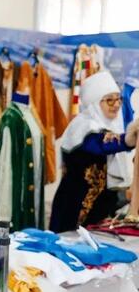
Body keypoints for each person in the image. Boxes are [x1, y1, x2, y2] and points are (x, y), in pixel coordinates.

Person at [50, 71, 139, 232]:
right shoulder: (82, 127)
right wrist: (127, 140)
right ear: (94, 103)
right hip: (74, 207)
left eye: (118, 99)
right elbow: (100, 144)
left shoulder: (110, 126)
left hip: (99, 210)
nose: (116, 105)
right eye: (110, 100)